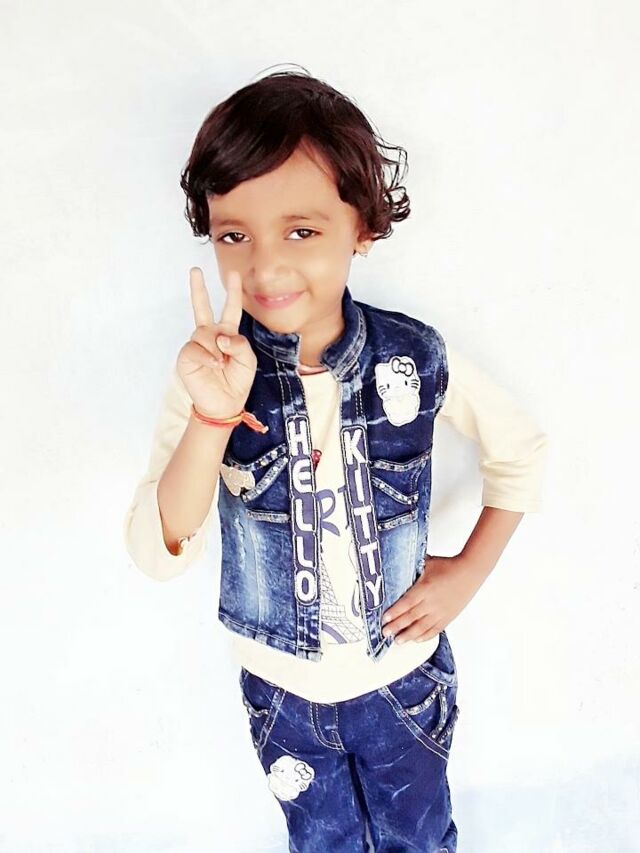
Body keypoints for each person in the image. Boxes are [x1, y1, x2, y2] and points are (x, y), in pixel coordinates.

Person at [123, 67, 549, 853]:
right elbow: (158, 550)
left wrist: (468, 572)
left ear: (363, 227)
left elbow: (520, 451)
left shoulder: (415, 355)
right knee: (321, 843)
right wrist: (214, 414)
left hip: (402, 684)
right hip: (282, 698)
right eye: (234, 235)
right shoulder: (207, 374)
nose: (265, 265)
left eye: (301, 231)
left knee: (419, 839)